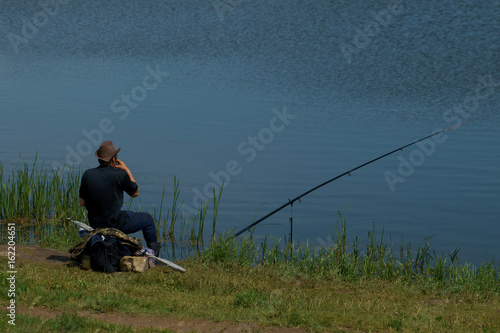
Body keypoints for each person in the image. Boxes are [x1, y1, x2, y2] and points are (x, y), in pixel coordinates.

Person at [78, 141, 161, 255]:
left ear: (99, 158)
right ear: (113, 159)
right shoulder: (120, 174)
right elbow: (135, 193)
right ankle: (153, 255)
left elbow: (82, 203)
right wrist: (126, 169)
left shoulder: (87, 174)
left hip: (95, 223)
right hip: (115, 222)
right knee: (148, 220)